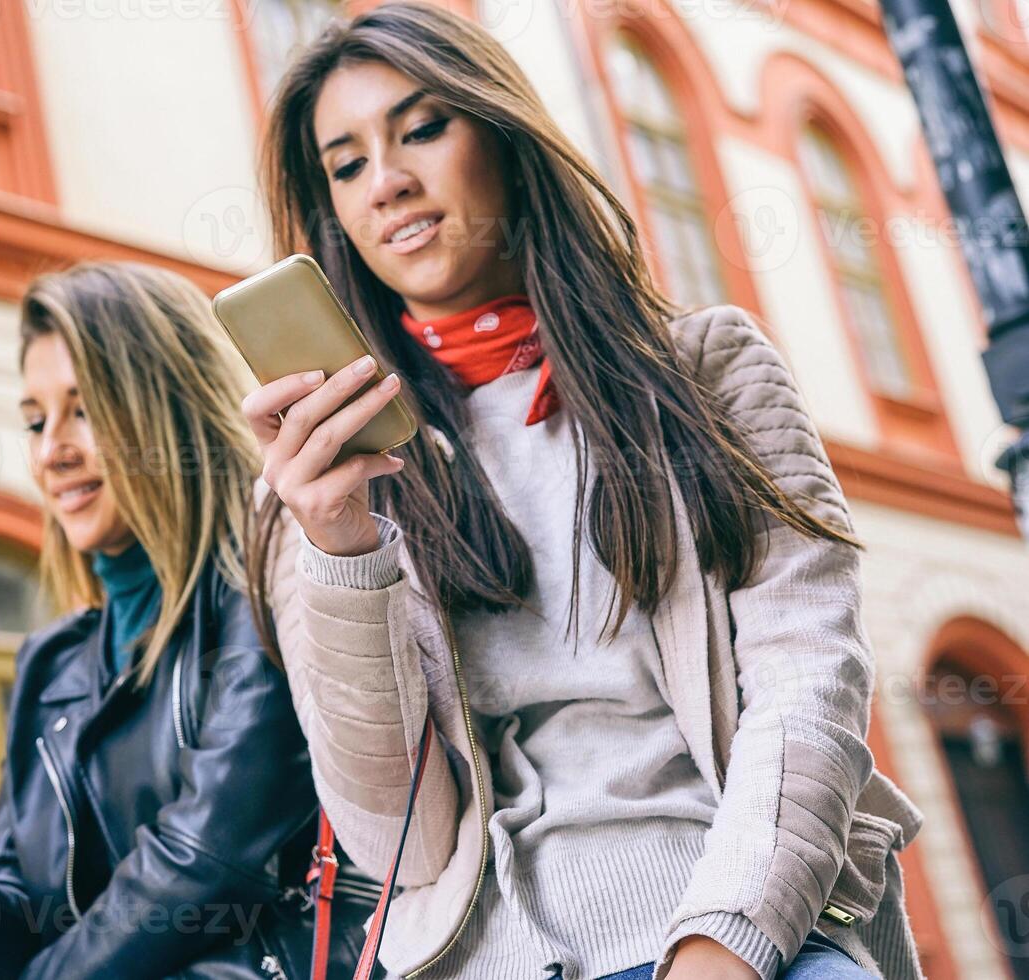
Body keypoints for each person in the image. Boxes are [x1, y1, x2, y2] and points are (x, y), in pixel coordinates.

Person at [239, 5, 925, 979]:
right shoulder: (324, 479)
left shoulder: (710, 371)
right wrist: (340, 548)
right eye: (345, 165)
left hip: (743, 923)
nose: (386, 181)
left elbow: (807, 680)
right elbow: (402, 836)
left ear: (505, 139)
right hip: (487, 953)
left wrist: (726, 939)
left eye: (423, 128)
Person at [0, 261, 376, 979]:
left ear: (171, 410)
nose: (53, 452)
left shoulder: (266, 591)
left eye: (85, 410)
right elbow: (9, 930)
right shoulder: (51, 663)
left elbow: (208, 859)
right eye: (35, 421)